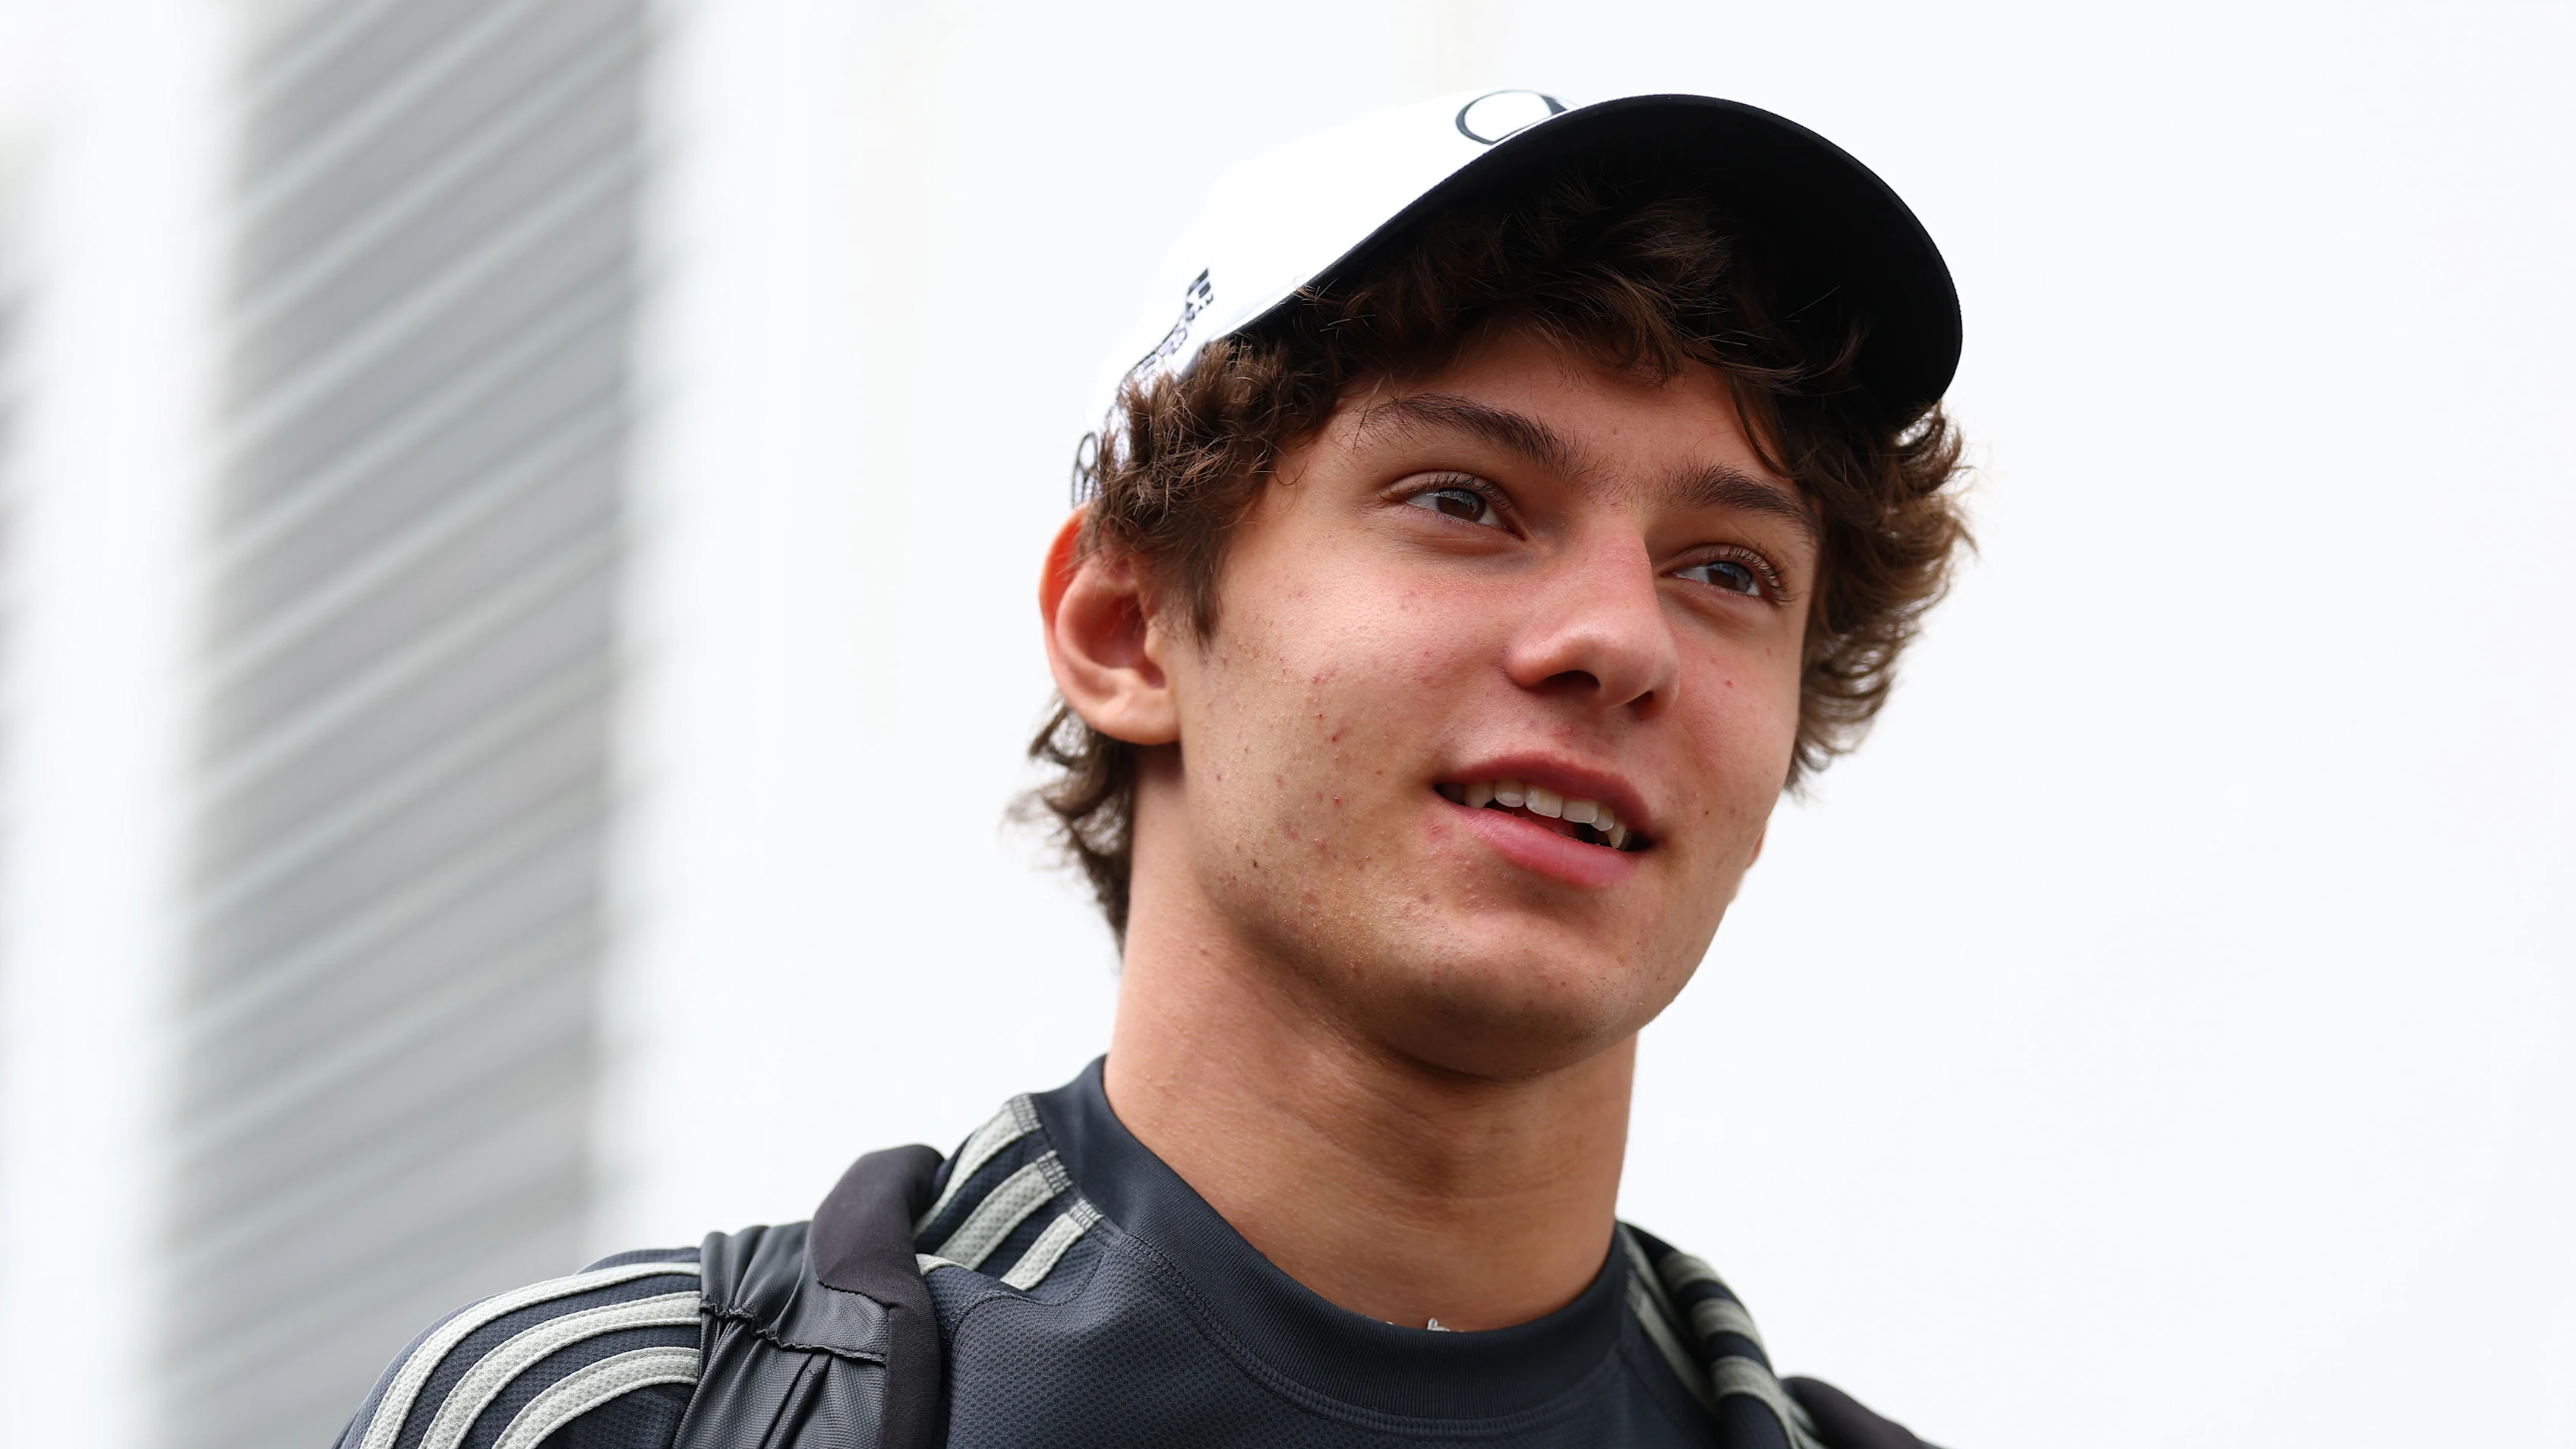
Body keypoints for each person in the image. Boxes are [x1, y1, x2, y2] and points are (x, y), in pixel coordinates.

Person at [334, 88, 1971, 1449]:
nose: (1619, 638)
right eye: (1464, 501)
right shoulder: (610, 1422)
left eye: (1729, 572)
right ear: (1124, 628)